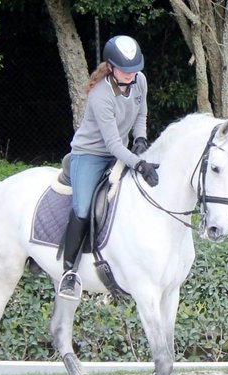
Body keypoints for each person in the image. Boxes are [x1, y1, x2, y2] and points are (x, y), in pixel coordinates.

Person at [59, 35, 159, 300]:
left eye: (135, 68)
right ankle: (69, 272)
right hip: (90, 154)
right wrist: (138, 163)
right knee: (82, 208)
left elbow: (141, 114)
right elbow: (113, 144)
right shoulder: (100, 95)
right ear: (111, 68)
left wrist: (140, 139)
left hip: (121, 152)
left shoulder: (140, 81)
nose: (131, 74)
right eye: (126, 70)